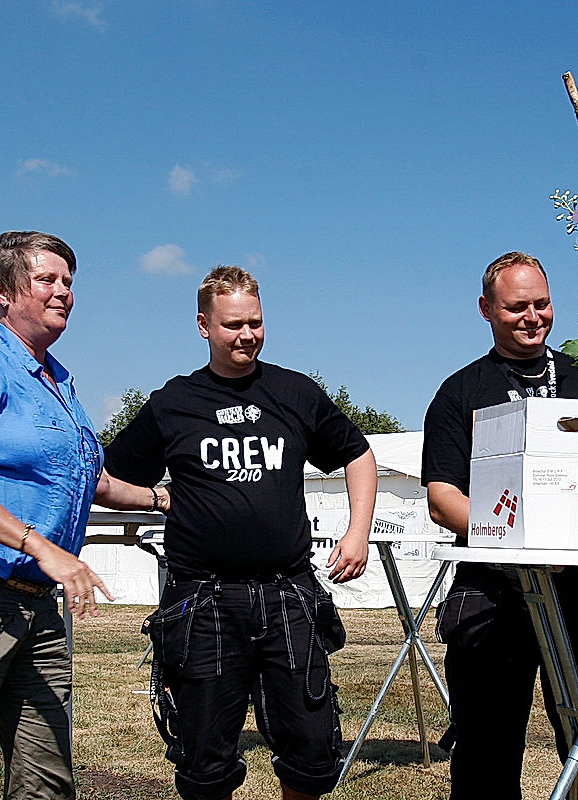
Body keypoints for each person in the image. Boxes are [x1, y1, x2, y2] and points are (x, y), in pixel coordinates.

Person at [0, 231, 169, 800]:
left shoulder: (58, 379)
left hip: (36, 607)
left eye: (69, 281)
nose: (64, 291)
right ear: (1, 292)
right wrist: (45, 547)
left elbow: (91, 478)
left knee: (46, 782)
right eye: (47, 279)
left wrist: (165, 499)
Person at [103, 265, 377, 800]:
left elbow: (357, 453)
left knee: (312, 749)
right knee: (204, 759)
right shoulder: (173, 403)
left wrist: (358, 531)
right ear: (204, 325)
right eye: (232, 324)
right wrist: (157, 497)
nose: (246, 335)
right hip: (203, 600)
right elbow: (105, 480)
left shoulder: (295, 392)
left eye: (255, 322)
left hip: (288, 593)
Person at [422, 251, 578, 799]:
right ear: (486, 309)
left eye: (542, 303)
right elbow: (444, 500)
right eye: (517, 306)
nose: (532, 316)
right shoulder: (459, 393)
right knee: (485, 757)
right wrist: (518, 541)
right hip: (494, 597)